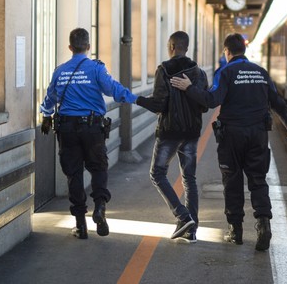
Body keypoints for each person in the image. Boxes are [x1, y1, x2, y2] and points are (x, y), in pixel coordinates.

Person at [170, 32, 287, 251]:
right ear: (244, 50)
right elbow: (278, 102)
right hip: (258, 135)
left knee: (232, 182)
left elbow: (212, 100)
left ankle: (236, 232)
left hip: (232, 136)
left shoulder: (226, 72)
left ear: (226, 51)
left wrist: (189, 88)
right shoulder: (261, 72)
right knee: (258, 180)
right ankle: (263, 225)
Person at [40, 28, 138, 239]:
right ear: (88, 46)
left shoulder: (60, 71)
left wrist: (46, 115)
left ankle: (80, 225)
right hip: (93, 128)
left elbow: (50, 98)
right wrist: (136, 99)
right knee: (98, 167)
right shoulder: (96, 69)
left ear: (70, 47)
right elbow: (113, 89)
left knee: (74, 174)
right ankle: (100, 206)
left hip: (67, 129)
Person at [135, 31, 209, 243]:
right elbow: (204, 105)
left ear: (172, 46)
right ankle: (191, 229)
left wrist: (139, 100)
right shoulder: (199, 73)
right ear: (187, 47)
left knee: (157, 173)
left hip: (169, 133)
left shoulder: (164, 70)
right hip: (192, 133)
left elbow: (159, 104)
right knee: (189, 179)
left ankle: (182, 215)